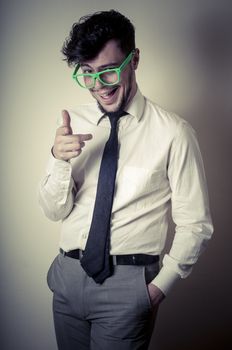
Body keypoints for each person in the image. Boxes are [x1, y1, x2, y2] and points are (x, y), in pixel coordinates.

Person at [38, 9, 213, 350]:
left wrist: (158, 288)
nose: (98, 86)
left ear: (134, 60)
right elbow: (53, 211)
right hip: (66, 280)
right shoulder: (73, 122)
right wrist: (59, 161)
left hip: (128, 287)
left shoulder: (174, 133)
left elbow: (196, 224)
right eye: (87, 74)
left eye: (108, 72)